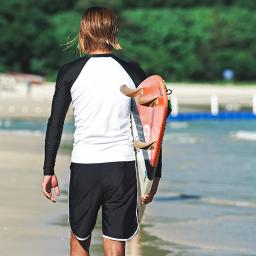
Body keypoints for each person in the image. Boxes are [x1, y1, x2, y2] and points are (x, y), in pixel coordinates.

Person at [41, 6, 162, 256]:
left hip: (86, 166)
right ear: (113, 31)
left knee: (79, 240)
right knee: (115, 246)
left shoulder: (70, 72)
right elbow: (152, 129)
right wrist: (154, 175)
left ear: (84, 31)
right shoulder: (132, 71)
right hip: (121, 167)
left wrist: (48, 170)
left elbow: (56, 122)